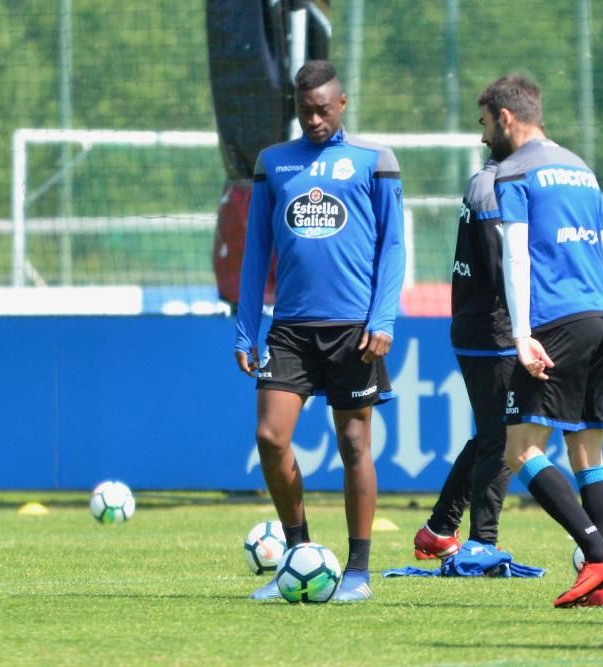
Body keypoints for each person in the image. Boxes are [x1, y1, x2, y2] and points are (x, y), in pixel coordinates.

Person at [233, 60, 405, 603]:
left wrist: (382, 319)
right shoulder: (274, 164)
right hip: (290, 329)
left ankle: (358, 571)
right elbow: (256, 250)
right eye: (305, 111)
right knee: (270, 437)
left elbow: (393, 247)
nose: (314, 120)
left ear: (343, 103)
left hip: (353, 328)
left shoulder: (373, 161)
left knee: (354, 443)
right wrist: (245, 329)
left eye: (323, 110)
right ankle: (297, 554)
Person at [482, 74, 603, 608]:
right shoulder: (580, 170)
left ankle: (597, 555)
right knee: (587, 453)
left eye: (483, 124)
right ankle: (602, 588)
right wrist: (594, 309)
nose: (482, 139)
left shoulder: (514, 171)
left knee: (519, 450)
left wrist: (523, 334)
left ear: (505, 118)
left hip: (557, 324)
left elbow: (516, 257)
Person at [411, 151, 517, 562]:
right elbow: (499, 266)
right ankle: (482, 542)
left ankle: (440, 529)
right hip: (494, 331)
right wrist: (531, 325)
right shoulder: (491, 185)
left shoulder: (491, 183)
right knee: (503, 438)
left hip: (486, 329)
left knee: (495, 434)